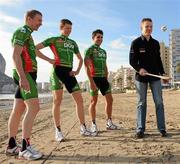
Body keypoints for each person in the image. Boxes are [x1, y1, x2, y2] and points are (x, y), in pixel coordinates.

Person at [6, 10, 55, 160]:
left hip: (28, 73)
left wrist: (49, 60)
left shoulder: (29, 35)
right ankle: (25, 148)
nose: (41, 23)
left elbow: (35, 53)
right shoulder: (22, 31)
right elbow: (15, 55)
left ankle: (12, 146)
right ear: (29, 19)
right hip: (25, 73)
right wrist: (23, 77)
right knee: (34, 107)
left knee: (18, 109)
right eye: (38, 20)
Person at [36, 19, 91, 141]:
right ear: (61, 28)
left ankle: (83, 128)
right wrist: (49, 60)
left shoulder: (73, 43)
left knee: (80, 101)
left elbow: (80, 59)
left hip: (69, 73)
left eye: (70, 29)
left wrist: (76, 71)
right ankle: (58, 131)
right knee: (57, 101)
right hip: (57, 72)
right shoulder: (54, 40)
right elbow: (35, 49)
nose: (69, 31)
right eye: (67, 28)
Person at [129, 18, 167, 138]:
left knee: (159, 102)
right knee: (141, 103)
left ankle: (162, 128)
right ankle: (140, 129)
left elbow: (158, 60)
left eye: (151, 26)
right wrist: (139, 69)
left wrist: (163, 74)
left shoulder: (155, 43)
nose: (149, 28)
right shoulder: (135, 43)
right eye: (147, 26)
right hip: (141, 78)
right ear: (141, 28)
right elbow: (132, 61)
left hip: (155, 77)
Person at [84, 29, 119, 136]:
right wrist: (91, 81)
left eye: (101, 37)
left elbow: (105, 65)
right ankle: (93, 124)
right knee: (93, 102)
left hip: (103, 78)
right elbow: (86, 66)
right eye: (98, 37)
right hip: (93, 78)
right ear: (93, 38)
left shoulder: (103, 51)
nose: (100, 39)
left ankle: (109, 122)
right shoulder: (89, 50)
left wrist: (106, 76)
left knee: (110, 100)